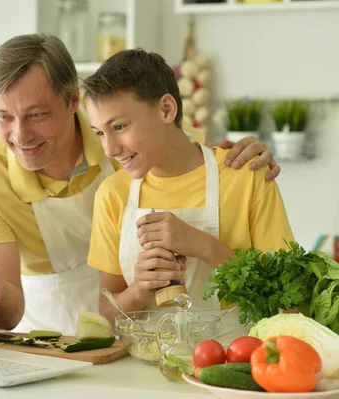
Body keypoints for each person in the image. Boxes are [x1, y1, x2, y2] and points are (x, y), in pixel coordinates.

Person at [0, 33, 282, 335]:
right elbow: (8, 314)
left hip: (143, 341)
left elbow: (193, 161)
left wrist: (241, 159)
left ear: (73, 101)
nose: (20, 135)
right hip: (44, 340)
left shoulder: (124, 127)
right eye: (3, 116)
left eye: (36, 115)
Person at [83, 48, 294, 341]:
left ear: (166, 109)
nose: (110, 149)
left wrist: (204, 246)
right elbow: (105, 316)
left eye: (119, 126)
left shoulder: (246, 177)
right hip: (140, 373)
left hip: (230, 367)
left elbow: (288, 304)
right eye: (100, 133)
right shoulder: (112, 194)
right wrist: (139, 290)